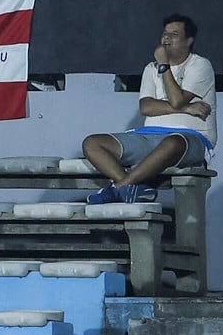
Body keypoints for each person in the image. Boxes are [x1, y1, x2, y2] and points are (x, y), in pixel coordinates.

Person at [83, 13, 213, 204]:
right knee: (92, 143)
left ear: (189, 41)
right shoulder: (150, 68)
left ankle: (117, 188)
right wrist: (186, 109)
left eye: (174, 34)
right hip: (147, 136)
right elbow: (146, 107)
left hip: (190, 139)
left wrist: (164, 66)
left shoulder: (200, 65)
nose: (166, 38)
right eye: (165, 33)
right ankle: (131, 188)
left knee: (173, 142)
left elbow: (176, 100)